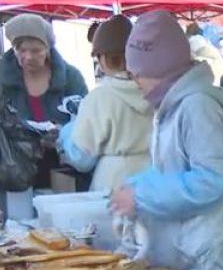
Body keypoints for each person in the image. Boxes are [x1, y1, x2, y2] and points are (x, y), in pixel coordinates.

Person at [109, 10, 223, 270]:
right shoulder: (171, 107)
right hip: (187, 248)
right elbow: (170, 170)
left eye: (137, 73)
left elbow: (213, 179)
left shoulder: (197, 106)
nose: (135, 81)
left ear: (160, 69)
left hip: (209, 251)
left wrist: (141, 195)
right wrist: (136, 184)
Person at [0, 14, 88, 189]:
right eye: (21, 50)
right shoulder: (1, 78)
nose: (28, 57)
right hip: (16, 167)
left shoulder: (70, 77)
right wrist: (16, 134)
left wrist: (63, 133)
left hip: (63, 166)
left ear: (48, 48)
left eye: (36, 51)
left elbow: (87, 120)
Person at [57, 15, 154, 192]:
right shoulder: (158, 90)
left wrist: (66, 132)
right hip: (156, 182)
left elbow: (82, 158)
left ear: (104, 59)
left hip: (114, 184)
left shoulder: (100, 97)